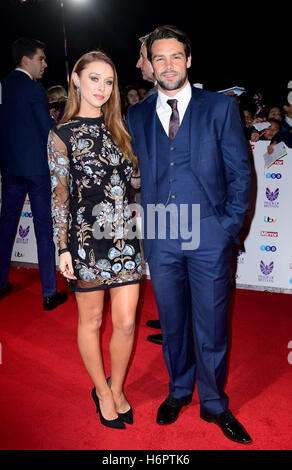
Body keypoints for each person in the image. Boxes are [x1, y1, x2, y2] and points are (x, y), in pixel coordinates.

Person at [126, 25, 252, 444]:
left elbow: (240, 174)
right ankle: (179, 390)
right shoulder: (138, 113)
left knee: (212, 324)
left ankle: (215, 403)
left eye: (175, 56)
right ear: (150, 64)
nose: (168, 65)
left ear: (189, 60)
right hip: (161, 237)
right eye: (159, 57)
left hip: (209, 237)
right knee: (175, 323)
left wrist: (226, 228)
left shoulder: (220, 108)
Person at [47, 50, 142, 429]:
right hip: (87, 238)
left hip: (125, 237)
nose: (101, 88)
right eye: (94, 79)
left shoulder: (121, 127)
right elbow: (60, 196)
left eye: (108, 81)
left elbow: (133, 183)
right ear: (76, 79)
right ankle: (101, 392)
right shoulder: (61, 134)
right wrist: (63, 246)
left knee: (126, 323)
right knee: (92, 320)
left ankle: (117, 387)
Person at [0, 37, 67, 310]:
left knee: (5, 229)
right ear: (26, 60)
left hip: (10, 169)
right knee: (43, 229)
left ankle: (0, 283)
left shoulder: (2, 86)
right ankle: (49, 292)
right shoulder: (34, 88)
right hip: (37, 171)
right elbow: (46, 129)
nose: (45, 64)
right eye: (41, 58)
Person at [136, 32, 162, 344]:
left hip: (178, 210)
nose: (139, 63)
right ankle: (171, 320)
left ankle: (178, 329)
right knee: (158, 263)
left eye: (144, 57)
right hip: (153, 202)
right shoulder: (145, 105)